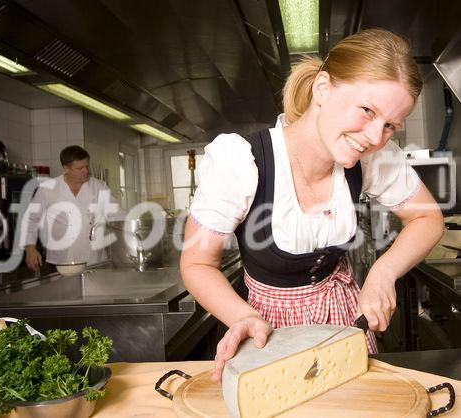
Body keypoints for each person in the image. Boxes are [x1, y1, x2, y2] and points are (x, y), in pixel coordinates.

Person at [179, 28, 444, 382]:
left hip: (345, 327)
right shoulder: (242, 162)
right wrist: (244, 318)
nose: (374, 137)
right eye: (367, 110)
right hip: (267, 332)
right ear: (322, 89)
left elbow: (428, 217)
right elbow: (197, 262)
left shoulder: (373, 159)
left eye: (390, 126)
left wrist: (383, 273)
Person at [23, 145, 120, 271]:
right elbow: (31, 219)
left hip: (94, 260)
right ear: (66, 168)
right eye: (80, 168)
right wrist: (30, 248)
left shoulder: (99, 187)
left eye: (87, 166)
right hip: (61, 261)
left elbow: (117, 215)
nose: (85, 171)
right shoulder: (47, 189)